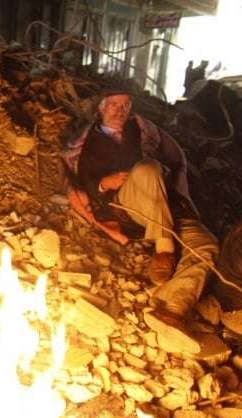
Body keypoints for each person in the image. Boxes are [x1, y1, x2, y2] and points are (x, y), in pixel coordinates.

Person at [58, 86, 219, 353]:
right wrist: (103, 183)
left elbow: (174, 158)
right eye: (114, 105)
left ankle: (171, 308)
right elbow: (82, 182)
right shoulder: (89, 143)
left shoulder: (141, 130)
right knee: (146, 168)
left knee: (207, 245)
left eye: (125, 105)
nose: (120, 110)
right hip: (128, 204)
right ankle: (164, 249)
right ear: (101, 108)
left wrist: (168, 175)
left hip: (167, 205)